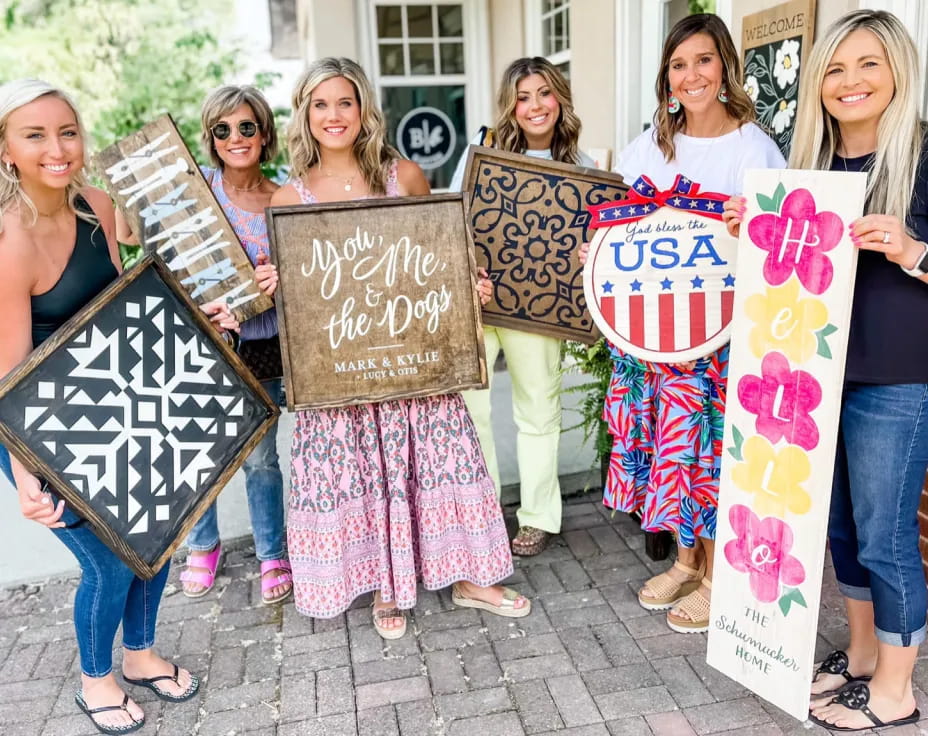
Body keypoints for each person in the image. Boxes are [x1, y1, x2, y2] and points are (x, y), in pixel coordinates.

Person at [0, 79, 236, 734]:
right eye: (35, 135)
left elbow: (131, 301)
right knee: (106, 562)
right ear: (5, 150)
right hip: (37, 429)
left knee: (153, 540)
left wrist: (197, 317)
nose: (57, 148)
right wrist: (25, 479)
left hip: (115, 406)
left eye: (67, 131)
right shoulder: (8, 243)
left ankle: (139, 656)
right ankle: (95, 679)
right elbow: (8, 377)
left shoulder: (99, 206)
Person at [271, 57, 530, 639]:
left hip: (412, 358)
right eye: (320, 105)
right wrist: (279, 282)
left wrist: (470, 284)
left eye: (345, 102)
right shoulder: (291, 197)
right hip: (343, 370)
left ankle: (470, 575)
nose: (333, 115)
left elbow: (439, 253)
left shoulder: (402, 176)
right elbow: (305, 292)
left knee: (445, 462)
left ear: (364, 109)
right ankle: (387, 586)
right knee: (363, 473)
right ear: (305, 115)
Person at [727, 10, 927, 731]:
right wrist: (749, 229)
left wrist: (911, 249)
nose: (851, 82)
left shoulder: (925, 156)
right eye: (837, 68)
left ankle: (898, 695)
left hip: (896, 376)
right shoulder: (808, 165)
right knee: (838, 528)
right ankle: (868, 655)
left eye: (869, 64)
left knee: (886, 536)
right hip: (810, 372)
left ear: (898, 70)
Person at [586, 14, 784, 634]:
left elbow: (775, 247)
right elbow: (615, 233)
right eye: (678, 64)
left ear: (724, 65)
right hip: (652, 340)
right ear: (666, 77)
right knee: (671, 456)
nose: (691, 74)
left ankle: (721, 580)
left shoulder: (754, 147)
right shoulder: (650, 145)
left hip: (718, 341)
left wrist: (744, 226)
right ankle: (687, 558)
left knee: (713, 457)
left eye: (703, 60)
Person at [447, 57, 593, 557]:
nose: (535, 106)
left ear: (561, 100)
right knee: (472, 412)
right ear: (509, 105)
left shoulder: (584, 170)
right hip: (479, 302)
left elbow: (599, 245)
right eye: (524, 96)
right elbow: (449, 225)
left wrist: (588, 254)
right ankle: (481, 510)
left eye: (545, 93)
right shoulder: (480, 158)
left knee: (538, 410)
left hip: (539, 307)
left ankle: (537, 516)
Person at [177, 86, 291, 604]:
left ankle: (272, 551)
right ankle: (202, 545)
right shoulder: (194, 191)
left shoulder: (285, 197)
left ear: (264, 133)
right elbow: (142, 235)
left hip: (263, 346)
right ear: (211, 138)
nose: (235, 138)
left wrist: (280, 278)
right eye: (222, 130)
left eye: (246, 127)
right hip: (203, 341)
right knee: (202, 452)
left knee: (260, 457)